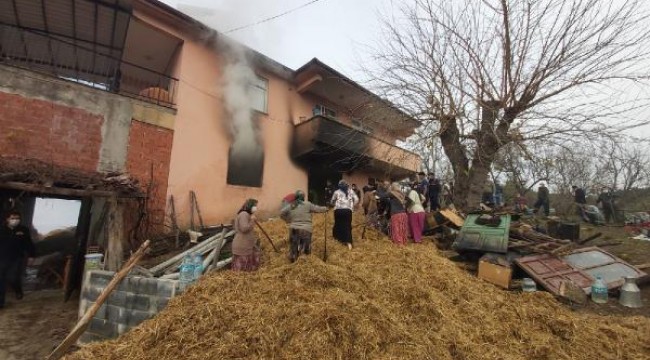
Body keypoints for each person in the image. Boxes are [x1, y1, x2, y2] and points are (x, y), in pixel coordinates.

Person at [0, 210, 35, 309]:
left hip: (17, 257)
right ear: (7, 219)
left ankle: (18, 290)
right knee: (1, 279)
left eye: (17, 218)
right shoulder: (1, 229)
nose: (15, 220)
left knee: (13, 277)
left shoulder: (23, 230)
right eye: (13, 218)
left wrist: (32, 255)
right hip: (2, 257)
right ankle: (1, 303)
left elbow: (29, 243)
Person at [281, 190, 328, 262]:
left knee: (293, 248)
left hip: (293, 229)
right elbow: (318, 209)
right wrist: (326, 208)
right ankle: (303, 262)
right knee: (305, 251)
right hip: (305, 230)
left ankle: (293, 261)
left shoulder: (292, 205)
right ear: (303, 197)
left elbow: (282, 213)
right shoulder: (307, 204)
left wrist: (288, 220)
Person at [231, 199, 261, 271]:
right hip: (242, 245)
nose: (256, 207)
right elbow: (244, 228)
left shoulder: (246, 215)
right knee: (242, 271)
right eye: (255, 205)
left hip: (245, 245)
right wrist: (252, 220)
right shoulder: (244, 214)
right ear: (250, 206)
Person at [331, 180, 358, 249]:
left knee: (338, 224)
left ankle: (338, 240)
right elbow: (356, 200)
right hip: (348, 211)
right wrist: (352, 206)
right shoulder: (351, 191)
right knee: (347, 226)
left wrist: (334, 204)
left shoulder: (336, 192)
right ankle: (349, 244)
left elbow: (332, 201)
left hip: (338, 211)